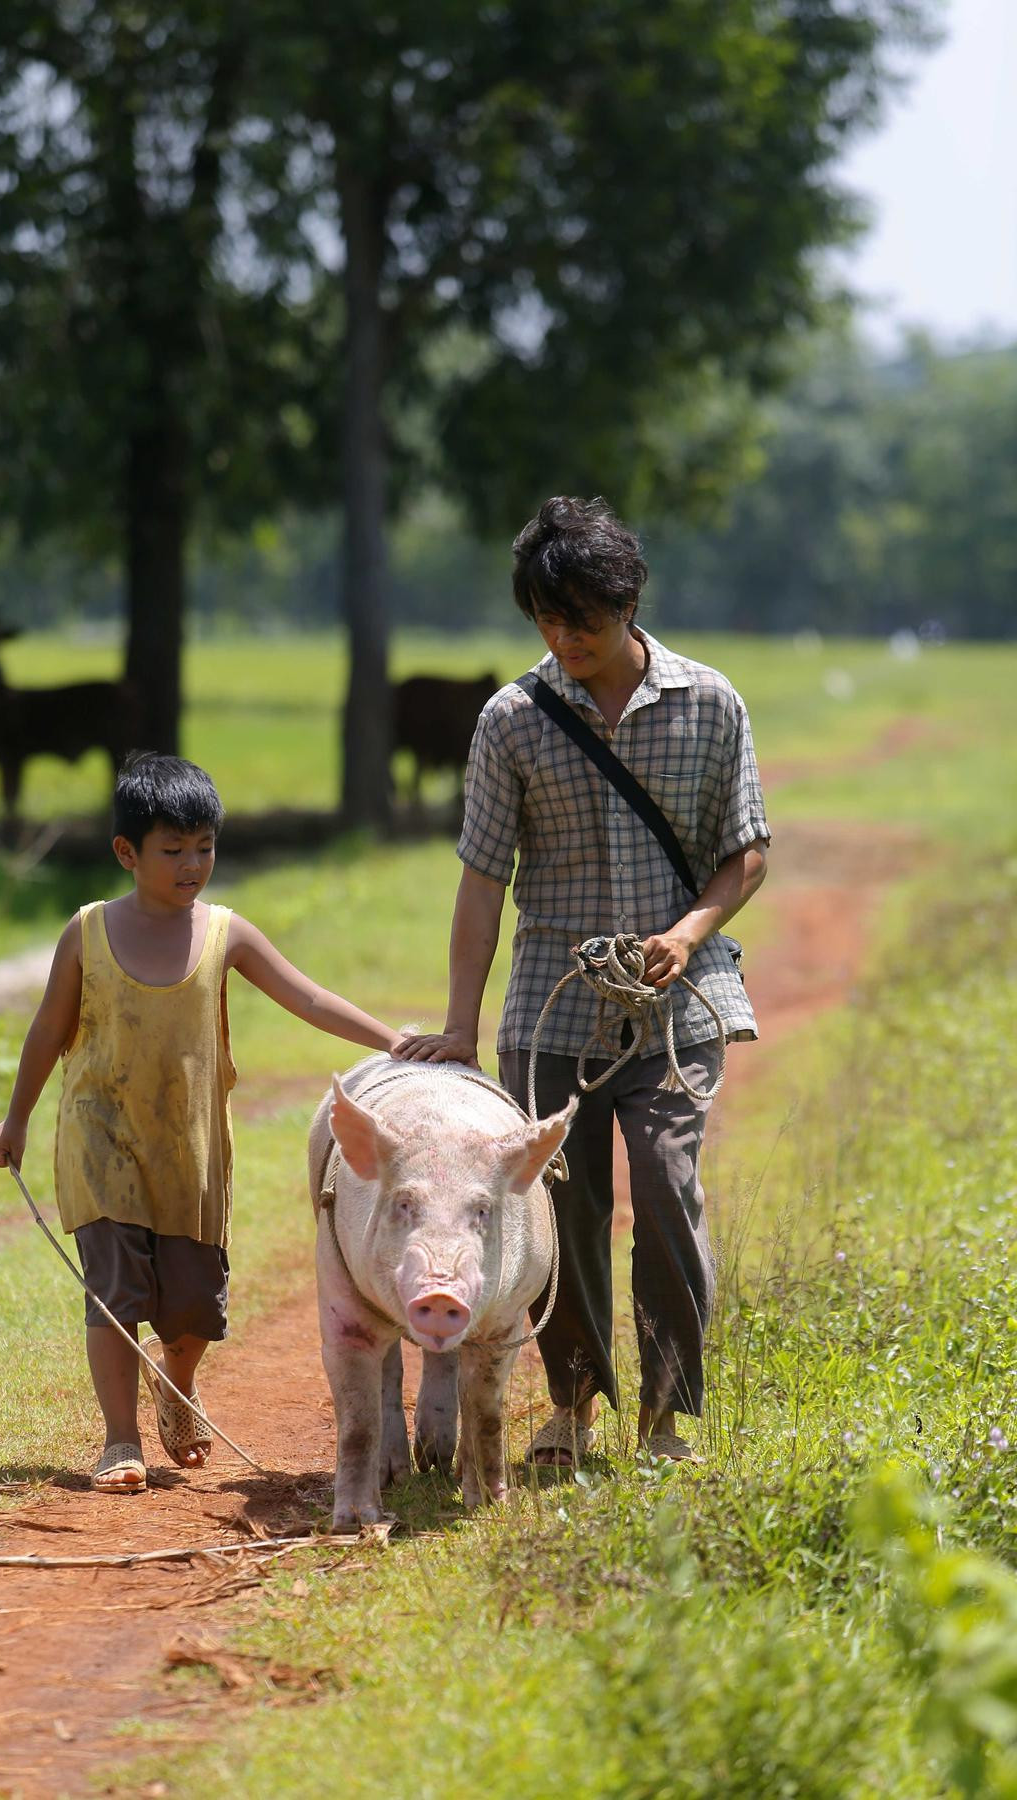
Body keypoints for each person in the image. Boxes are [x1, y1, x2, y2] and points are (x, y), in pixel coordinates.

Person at [396, 495, 769, 1466]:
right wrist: (460, 1028)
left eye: (585, 620)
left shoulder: (711, 705)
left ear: (629, 601)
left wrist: (689, 933)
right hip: (548, 1011)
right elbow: (483, 879)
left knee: (667, 1183)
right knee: (557, 1210)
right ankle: (570, 1407)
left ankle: (668, 1418)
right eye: (546, 621)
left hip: (676, 1009)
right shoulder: (511, 719)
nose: (566, 639)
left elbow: (747, 855)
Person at [0, 751, 400, 1494]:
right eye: (172, 850)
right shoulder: (87, 934)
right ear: (126, 853)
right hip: (99, 1140)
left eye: (204, 847)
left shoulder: (226, 934)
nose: (192, 865)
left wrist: (395, 1041)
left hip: (193, 1155)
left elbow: (306, 998)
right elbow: (46, 1033)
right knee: (114, 1295)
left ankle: (176, 1383)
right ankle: (119, 1440)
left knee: (192, 1312)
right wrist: (13, 1122)